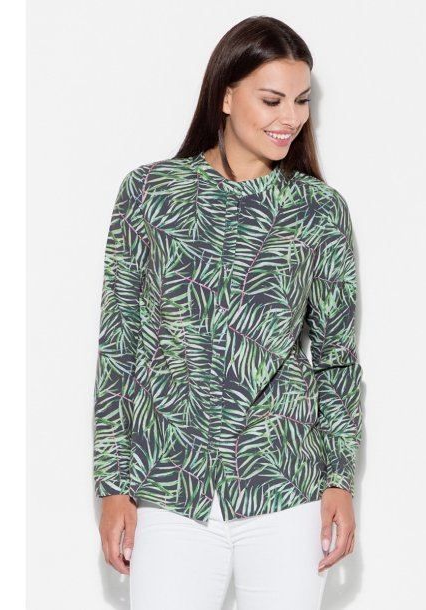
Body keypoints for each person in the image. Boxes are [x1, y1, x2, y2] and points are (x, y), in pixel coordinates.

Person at [93, 15, 363, 610]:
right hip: (170, 486)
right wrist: (113, 487)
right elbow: (120, 347)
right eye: (271, 100)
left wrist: (339, 479)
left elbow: (336, 361)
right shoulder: (149, 194)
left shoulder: (318, 211)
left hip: (285, 486)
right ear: (225, 94)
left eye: (301, 100)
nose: (290, 117)